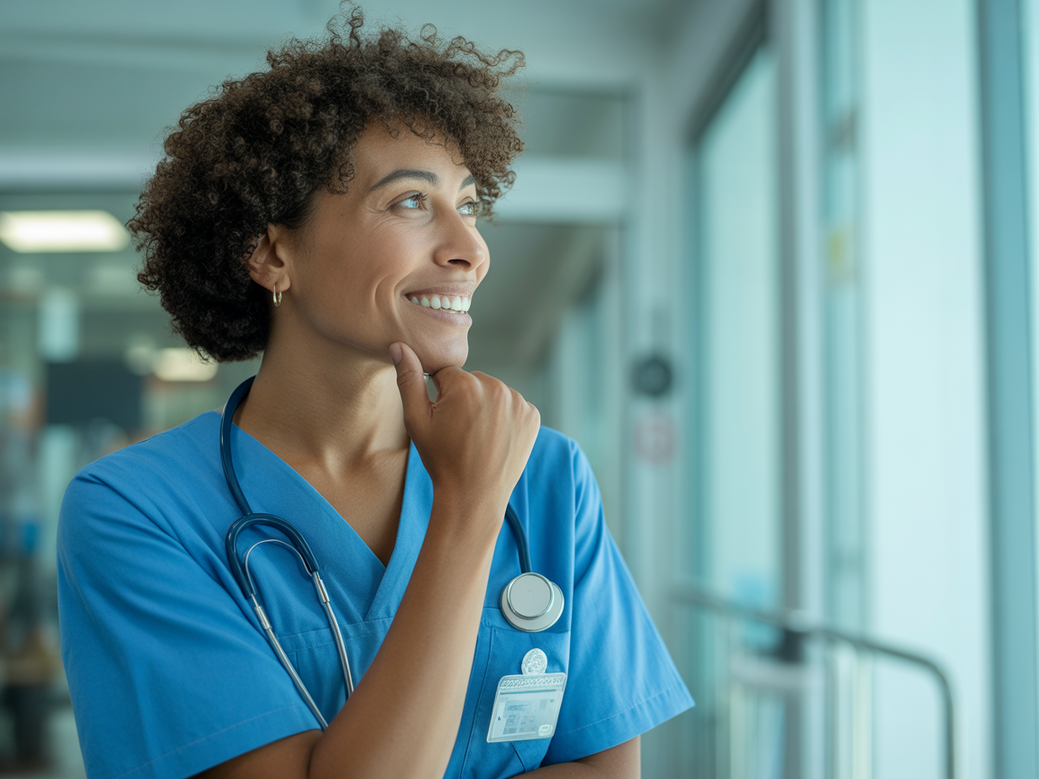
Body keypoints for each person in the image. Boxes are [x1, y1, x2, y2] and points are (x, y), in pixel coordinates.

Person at [56, 8, 693, 779]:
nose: (470, 249)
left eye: (469, 203)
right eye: (409, 202)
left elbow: (604, 771)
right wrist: (464, 512)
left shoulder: (544, 473)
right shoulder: (135, 510)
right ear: (270, 251)